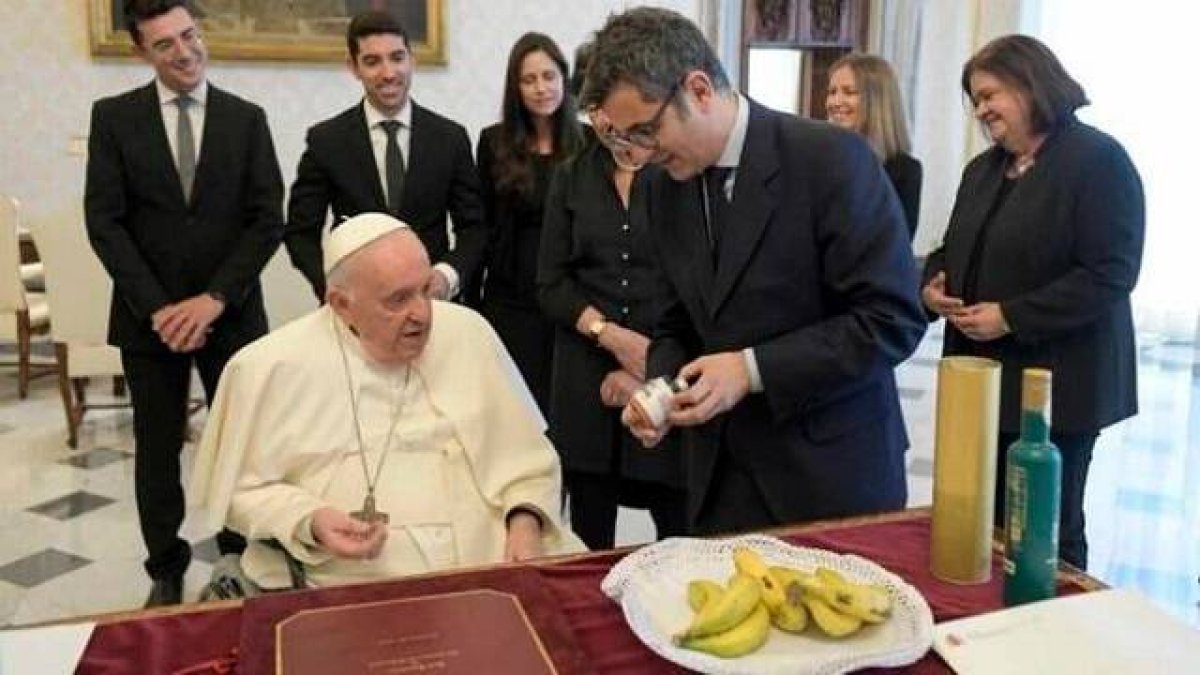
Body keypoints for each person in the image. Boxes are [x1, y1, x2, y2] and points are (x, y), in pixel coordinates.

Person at [581, 8, 926, 535]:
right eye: (622, 138)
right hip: (719, 483)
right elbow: (676, 318)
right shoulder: (660, 187)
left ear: (698, 90)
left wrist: (753, 368)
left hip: (828, 477)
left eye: (647, 130)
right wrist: (662, 391)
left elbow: (892, 319)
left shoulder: (831, 159)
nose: (640, 153)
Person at [190, 213, 584, 589]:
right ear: (341, 303)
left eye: (425, 290)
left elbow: (529, 463)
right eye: (397, 300)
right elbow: (239, 492)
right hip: (350, 580)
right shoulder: (270, 367)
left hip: (490, 560)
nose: (422, 314)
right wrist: (309, 520)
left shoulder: (468, 333)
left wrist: (525, 522)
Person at [84, 0, 284, 606]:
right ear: (142, 52)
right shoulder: (114, 118)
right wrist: (161, 309)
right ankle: (165, 568)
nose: (185, 50)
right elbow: (105, 222)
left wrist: (214, 299)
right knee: (157, 447)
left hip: (232, 316)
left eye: (190, 34)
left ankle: (237, 551)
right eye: (165, 43)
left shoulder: (246, 119)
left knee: (242, 444)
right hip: (151, 324)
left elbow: (265, 219)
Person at [921, 34, 1144, 570]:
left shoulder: (1099, 160)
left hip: (1060, 383)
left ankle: (1056, 625)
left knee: (1046, 526)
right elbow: (950, 246)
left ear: (1031, 84)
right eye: (975, 100)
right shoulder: (985, 169)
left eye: (991, 94)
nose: (982, 110)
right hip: (983, 381)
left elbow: (1112, 272)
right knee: (990, 524)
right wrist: (931, 284)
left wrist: (1012, 316)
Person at [536, 60, 686, 551]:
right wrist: (609, 335)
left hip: (664, 362)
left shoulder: (678, 175)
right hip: (585, 369)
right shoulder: (570, 178)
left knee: (675, 523)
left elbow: (693, 284)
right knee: (589, 532)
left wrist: (649, 361)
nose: (606, 123)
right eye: (594, 108)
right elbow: (551, 283)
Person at [284, 10, 485, 301]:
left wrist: (446, 274)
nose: (388, 73)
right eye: (372, 61)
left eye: (397, 57)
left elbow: (474, 228)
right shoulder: (326, 141)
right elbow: (300, 233)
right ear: (353, 67)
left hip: (431, 302)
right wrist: (332, 286)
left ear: (411, 60)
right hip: (356, 306)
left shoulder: (450, 138)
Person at [468, 33, 582, 411]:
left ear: (564, 79)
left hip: (573, 299)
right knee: (515, 411)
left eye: (549, 77)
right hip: (512, 299)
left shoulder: (590, 143)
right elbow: (481, 226)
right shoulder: (493, 142)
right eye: (528, 80)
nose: (540, 89)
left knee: (566, 411)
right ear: (515, 88)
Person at [825, 53, 923, 240]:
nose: (835, 102)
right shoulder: (815, 161)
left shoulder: (904, 171)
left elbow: (895, 242)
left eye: (849, 92)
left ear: (877, 101)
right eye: (832, 92)